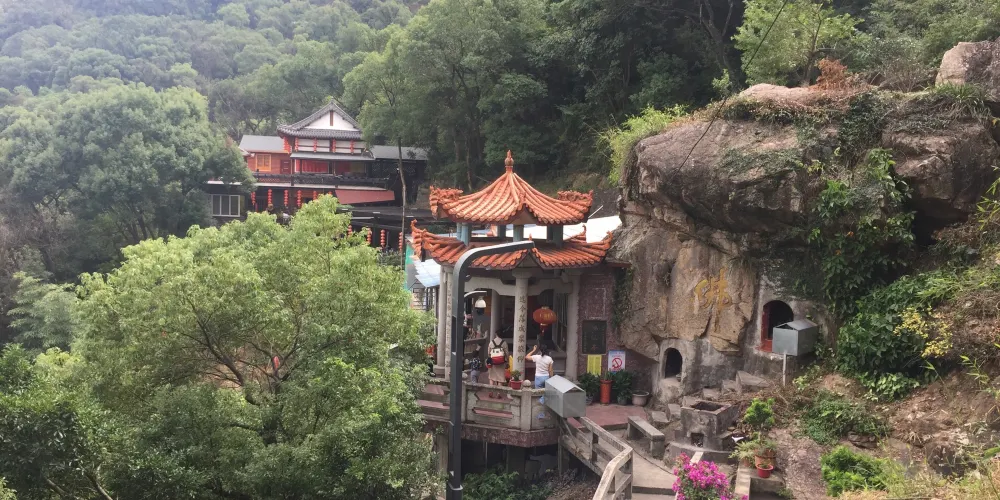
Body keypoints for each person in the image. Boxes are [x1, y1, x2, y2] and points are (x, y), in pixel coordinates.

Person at [525, 343, 554, 418]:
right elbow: (550, 370)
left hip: (538, 377)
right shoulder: (549, 359)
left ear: (540, 350)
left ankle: (540, 414)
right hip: (546, 377)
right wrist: (551, 378)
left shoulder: (537, 357)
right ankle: (545, 412)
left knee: (539, 395)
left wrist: (533, 350)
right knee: (545, 395)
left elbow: (527, 357)